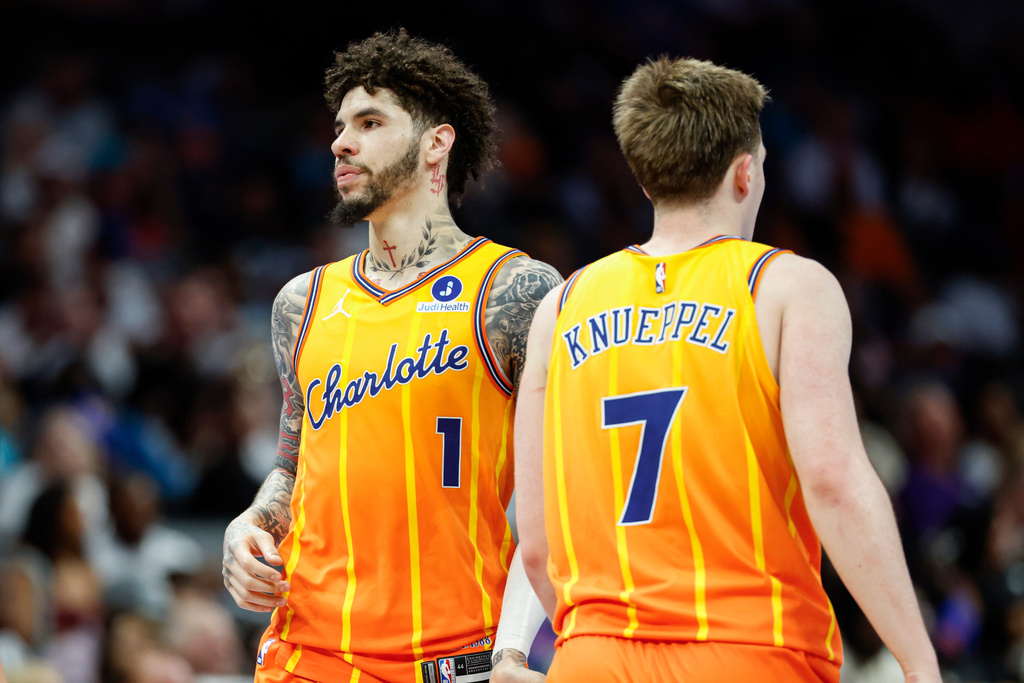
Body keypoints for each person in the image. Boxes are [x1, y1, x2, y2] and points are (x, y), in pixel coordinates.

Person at [515, 56, 941, 682]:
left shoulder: (561, 305)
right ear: (745, 173)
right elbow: (831, 480)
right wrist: (918, 658)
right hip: (748, 651)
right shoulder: (788, 286)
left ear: (642, 177)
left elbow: (536, 544)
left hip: (592, 655)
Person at [222, 29, 559, 683]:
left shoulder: (514, 292)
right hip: (305, 650)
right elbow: (291, 467)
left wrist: (515, 649)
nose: (340, 143)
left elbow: (562, 503)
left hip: (450, 655)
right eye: (341, 126)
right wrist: (248, 524)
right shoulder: (302, 301)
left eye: (370, 122)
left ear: (437, 142)